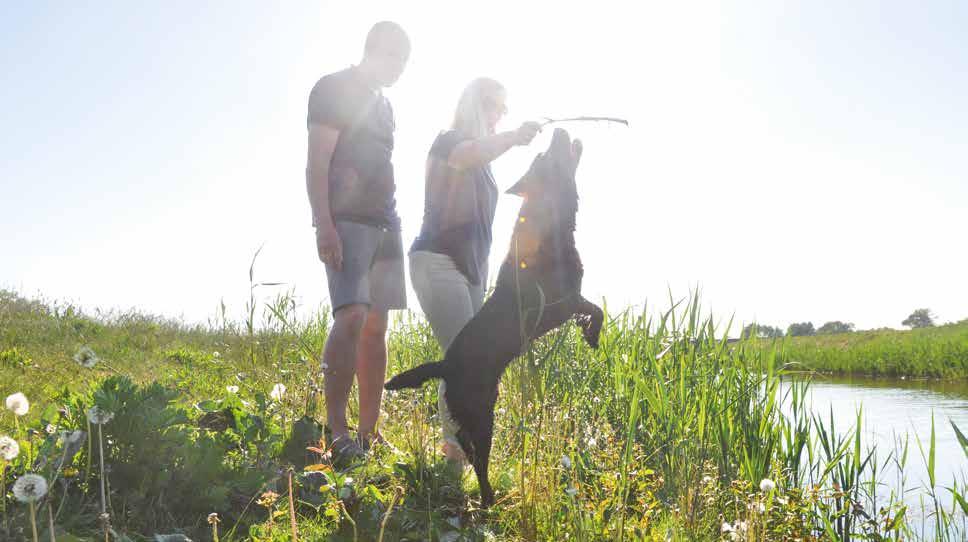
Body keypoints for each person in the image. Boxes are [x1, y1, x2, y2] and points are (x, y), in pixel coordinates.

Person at [409, 77, 541, 463]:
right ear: (472, 103)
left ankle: (455, 452)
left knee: (464, 359)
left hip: (470, 271)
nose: (498, 114)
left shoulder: (486, 164)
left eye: (503, 108)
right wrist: (515, 137)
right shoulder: (449, 141)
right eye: (492, 105)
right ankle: (457, 456)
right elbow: (469, 154)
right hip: (438, 260)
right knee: (467, 361)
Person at [305, 21, 410, 464]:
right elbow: (316, 163)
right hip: (346, 222)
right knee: (350, 316)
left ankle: (370, 431)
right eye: (397, 62)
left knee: (376, 327)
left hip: (386, 223)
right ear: (376, 51)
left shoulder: (384, 105)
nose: (400, 72)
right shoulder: (333, 88)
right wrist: (323, 223)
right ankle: (336, 430)